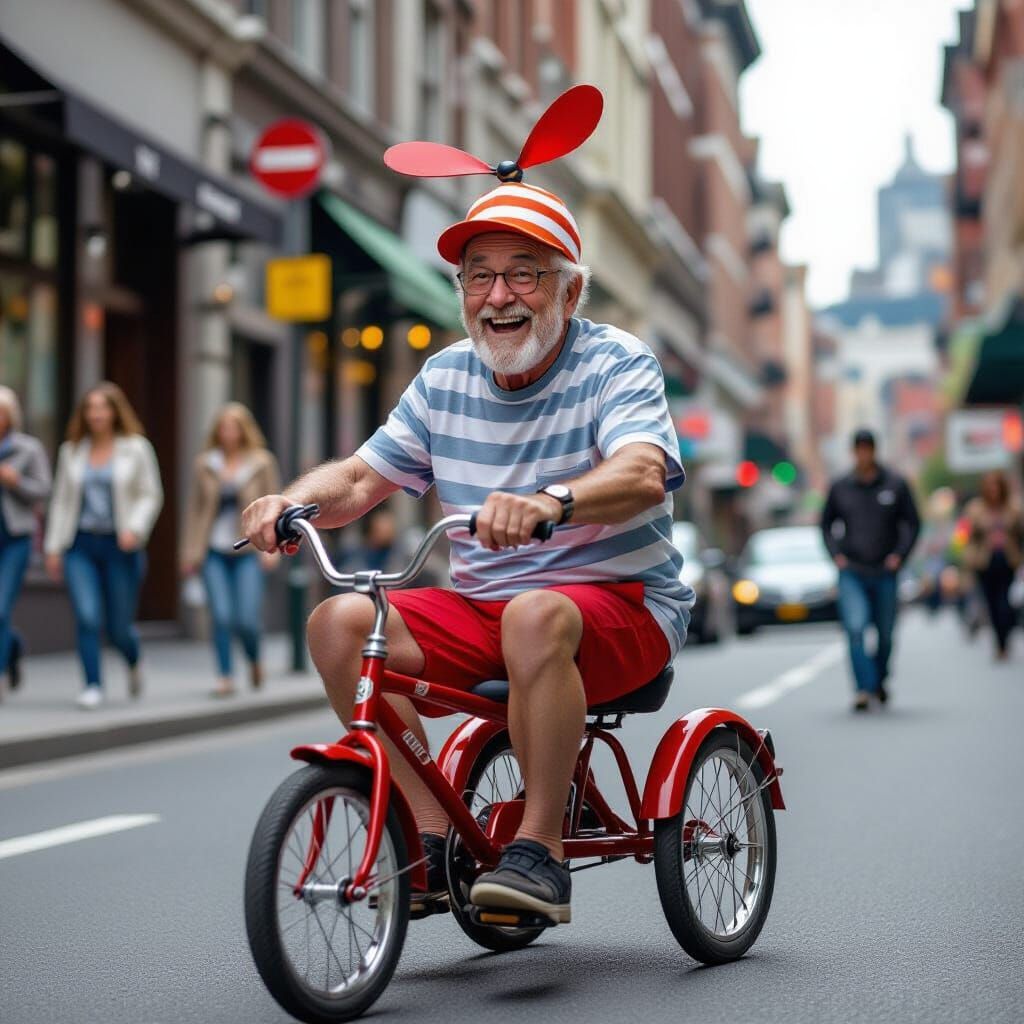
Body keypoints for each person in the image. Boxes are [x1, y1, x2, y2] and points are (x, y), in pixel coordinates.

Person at [242, 138, 694, 924]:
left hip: (622, 608)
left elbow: (642, 473)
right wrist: (291, 500)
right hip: (486, 611)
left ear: (570, 293)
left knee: (536, 611)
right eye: (479, 275)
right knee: (341, 623)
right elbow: (357, 477)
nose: (498, 294)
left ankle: (541, 852)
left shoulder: (618, 364)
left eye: (525, 272)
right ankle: (423, 839)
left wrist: (553, 500)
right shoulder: (444, 375)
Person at [44, 382, 163, 709]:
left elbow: (150, 494)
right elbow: (62, 502)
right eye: (90, 408)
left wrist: (135, 529)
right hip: (80, 544)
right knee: (86, 616)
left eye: (102, 407)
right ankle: (92, 684)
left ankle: (133, 658)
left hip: (120, 546)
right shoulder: (72, 450)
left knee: (119, 627)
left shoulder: (136, 447)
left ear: (114, 411)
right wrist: (53, 547)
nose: (96, 414)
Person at [180, 402, 280, 696]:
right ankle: (225, 675)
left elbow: (275, 506)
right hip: (212, 550)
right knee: (221, 616)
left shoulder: (261, 462)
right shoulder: (205, 463)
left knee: (247, 619)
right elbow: (194, 510)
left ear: (244, 430)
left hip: (249, 550)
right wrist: (189, 553)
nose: (228, 432)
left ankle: (254, 658)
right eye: (223, 427)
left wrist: (271, 549)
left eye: (234, 427)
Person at [821, 429, 921, 711]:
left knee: (886, 633)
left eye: (868, 448)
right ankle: (864, 689)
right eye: (859, 449)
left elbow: (912, 523)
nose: (863, 454)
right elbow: (826, 524)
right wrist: (836, 555)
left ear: (874, 451)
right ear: (854, 452)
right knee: (855, 628)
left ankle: (879, 680)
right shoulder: (840, 486)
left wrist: (899, 556)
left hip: (885, 571)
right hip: (852, 570)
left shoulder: (895, 484)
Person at [0, 386, 51, 697]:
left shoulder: (27, 449)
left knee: (1, 608)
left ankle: (2, 673)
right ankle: (14, 646)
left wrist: (16, 481)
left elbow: (44, 489)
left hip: (15, 539)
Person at [962, 470, 1023, 661]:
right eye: (989, 486)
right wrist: (968, 555)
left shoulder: (1013, 508)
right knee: (991, 604)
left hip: (1007, 560)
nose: (993, 490)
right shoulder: (975, 509)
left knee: (1004, 602)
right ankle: (999, 642)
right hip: (984, 562)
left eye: (996, 486)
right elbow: (965, 536)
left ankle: (1004, 640)